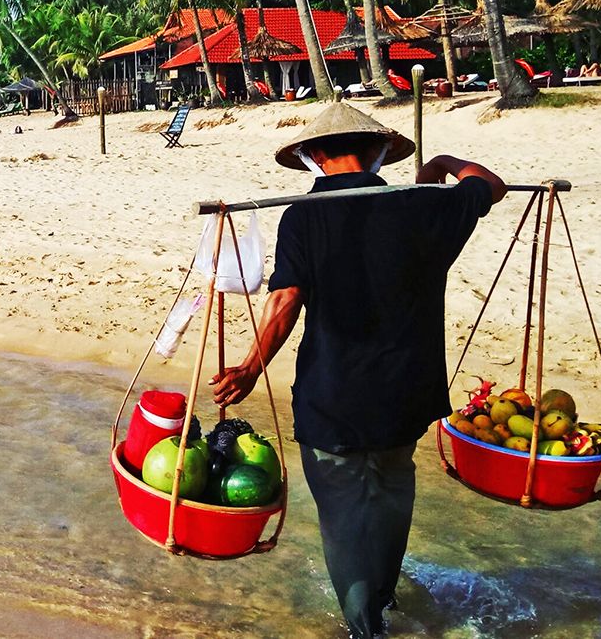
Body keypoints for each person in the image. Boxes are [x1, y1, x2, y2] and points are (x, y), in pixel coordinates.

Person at [210, 102, 505, 639]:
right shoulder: (424, 206)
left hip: (334, 401)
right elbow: (490, 183)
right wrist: (439, 162)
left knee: (344, 521)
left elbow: (287, 300)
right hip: (405, 396)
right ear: (379, 153)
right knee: (392, 496)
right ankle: (384, 601)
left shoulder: (302, 216)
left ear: (313, 156)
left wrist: (252, 367)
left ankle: (364, 629)